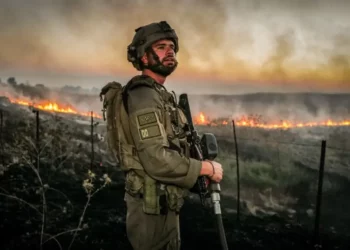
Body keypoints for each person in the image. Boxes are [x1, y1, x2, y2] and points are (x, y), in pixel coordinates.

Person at [122, 21, 224, 250]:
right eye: (160, 47)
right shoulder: (144, 96)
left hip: (163, 201)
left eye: (172, 47)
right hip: (151, 208)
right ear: (143, 56)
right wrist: (205, 168)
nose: (170, 51)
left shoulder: (159, 94)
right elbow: (156, 158)